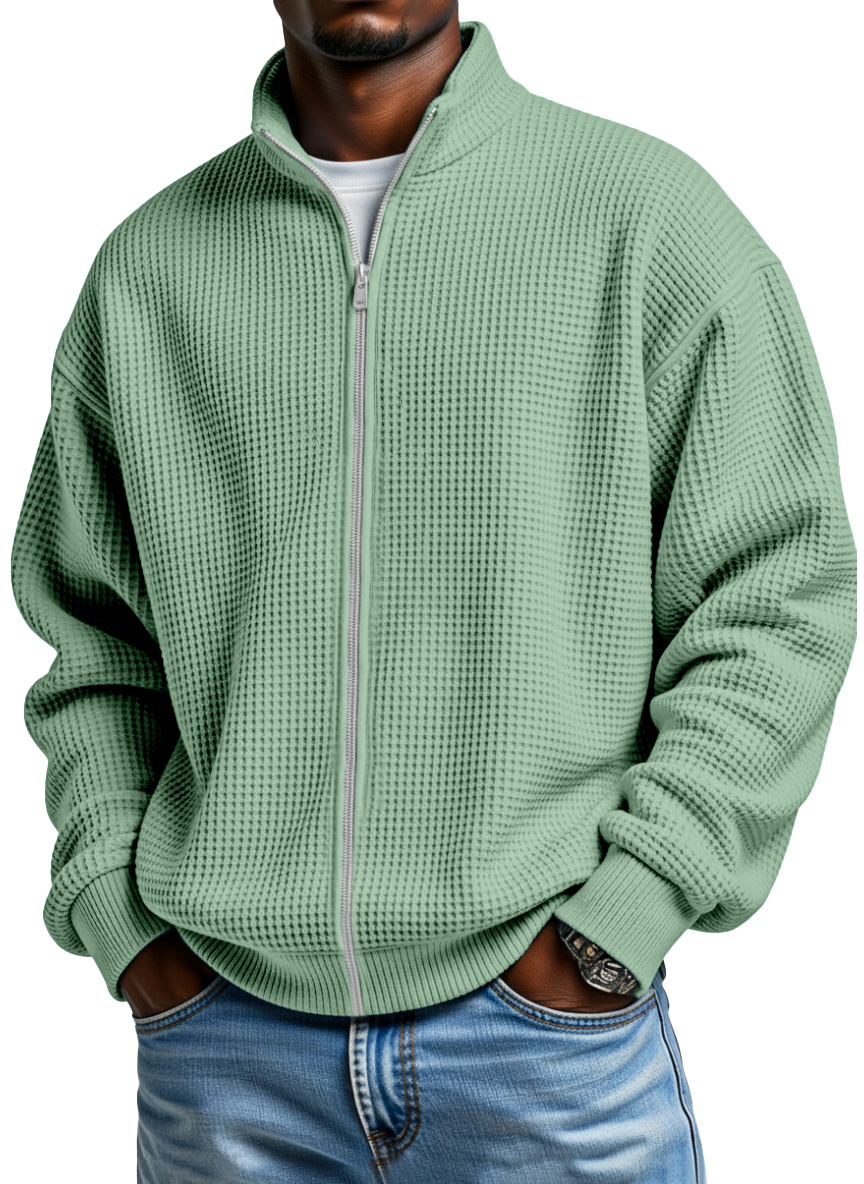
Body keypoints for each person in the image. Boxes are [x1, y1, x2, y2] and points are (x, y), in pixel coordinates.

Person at [10, 3, 856, 1182]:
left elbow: (775, 595)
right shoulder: (149, 271)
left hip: (546, 1044)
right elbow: (95, 640)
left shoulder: (650, 222)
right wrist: (126, 924)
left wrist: (620, 920)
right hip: (226, 1054)